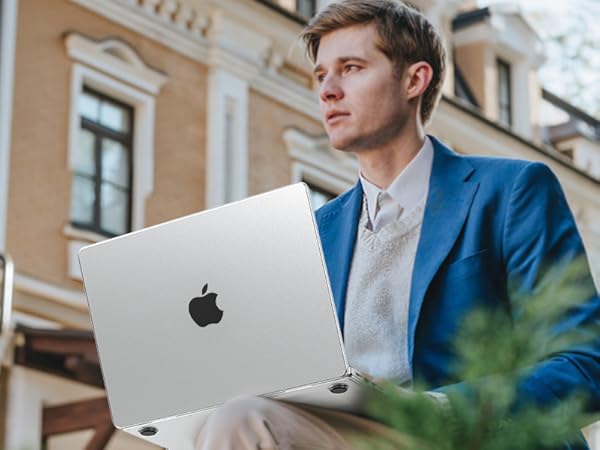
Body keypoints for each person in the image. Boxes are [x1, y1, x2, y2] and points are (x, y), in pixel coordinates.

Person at [195, 0, 600, 449]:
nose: (328, 90)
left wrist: (439, 409)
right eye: (321, 75)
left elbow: (585, 364)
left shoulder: (512, 192)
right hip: (354, 437)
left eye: (350, 68)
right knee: (238, 418)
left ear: (414, 79)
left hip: (471, 435)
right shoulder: (313, 235)